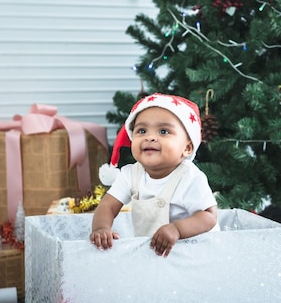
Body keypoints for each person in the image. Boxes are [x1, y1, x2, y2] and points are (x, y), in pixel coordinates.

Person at [90, 93, 219, 257]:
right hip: (155, 253)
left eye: (163, 131)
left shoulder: (190, 177)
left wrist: (176, 229)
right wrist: (101, 228)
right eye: (142, 130)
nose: (150, 137)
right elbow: (107, 205)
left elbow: (208, 217)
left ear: (187, 148)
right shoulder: (130, 174)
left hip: (197, 252)